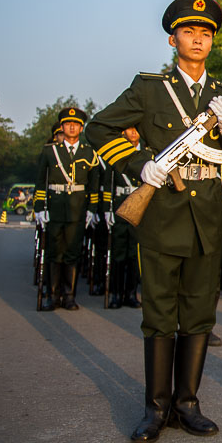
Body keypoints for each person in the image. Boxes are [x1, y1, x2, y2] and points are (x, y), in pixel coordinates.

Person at [85, 0, 222, 443]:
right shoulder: (150, 87)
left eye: (205, 33)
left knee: (198, 316)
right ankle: (156, 408)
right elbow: (100, 127)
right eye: (189, 32)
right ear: (173, 38)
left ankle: (188, 404)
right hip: (161, 216)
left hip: (207, 219)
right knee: (158, 316)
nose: (197, 40)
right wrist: (137, 164)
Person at [34, 107, 101, 312]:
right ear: (62, 127)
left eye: (76, 124)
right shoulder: (50, 151)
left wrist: (92, 209)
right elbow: (40, 182)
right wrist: (40, 207)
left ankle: (69, 296)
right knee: (55, 253)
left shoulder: (89, 152)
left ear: (81, 128)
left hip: (78, 209)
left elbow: (94, 183)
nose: (71, 127)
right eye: (67, 124)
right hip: (55, 208)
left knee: (72, 253)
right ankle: (52, 295)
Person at [100, 126, 143, 309]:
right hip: (119, 206)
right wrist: (108, 209)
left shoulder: (148, 154)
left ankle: (131, 293)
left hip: (140, 206)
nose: (133, 132)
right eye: (129, 129)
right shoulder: (115, 153)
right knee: (118, 253)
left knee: (134, 254)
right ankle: (116, 294)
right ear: (123, 132)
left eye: (136, 129)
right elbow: (108, 184)